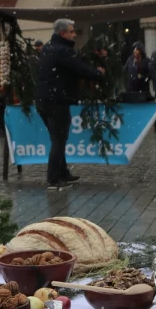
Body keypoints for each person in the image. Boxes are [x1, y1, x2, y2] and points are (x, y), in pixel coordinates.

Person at [36, 18, 104, 188]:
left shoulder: (48, 48)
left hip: (44, 100)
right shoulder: (63, 51)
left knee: (57, 138)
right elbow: (79, 68)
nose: (75, 34)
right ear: (63, 33)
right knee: (59, 139)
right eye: (72, 31)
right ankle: (53, 178)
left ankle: (63, 172)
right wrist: (98, 73)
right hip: (56, 101)